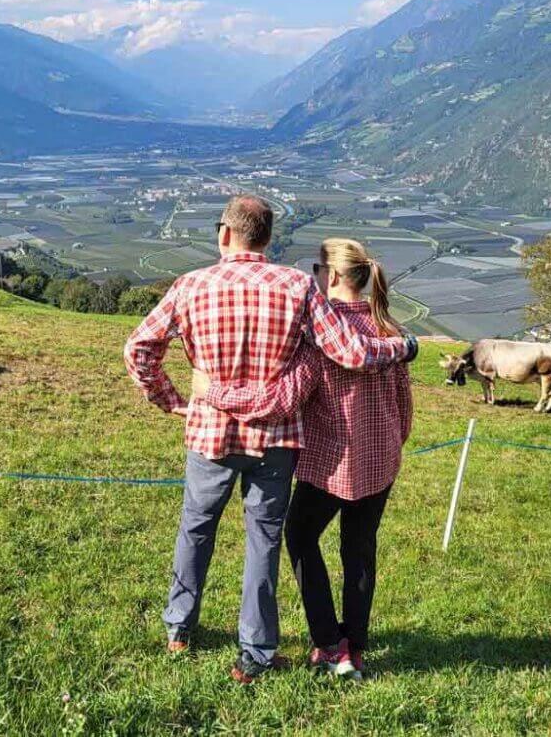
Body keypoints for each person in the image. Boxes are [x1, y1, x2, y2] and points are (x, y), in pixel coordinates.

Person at [124, 198, 416, 684]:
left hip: (209, 434)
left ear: (224, 235)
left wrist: (172, 399)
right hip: (276, 441)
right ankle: (256, 651)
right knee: (263, 543)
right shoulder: (298, 286)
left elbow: (139, 349)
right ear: (269, 238)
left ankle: (179, 629)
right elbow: (347, 351)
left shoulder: (191, 285)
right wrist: (405, 346)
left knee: (196, 530)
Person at [193, 238, 414, 680]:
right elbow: (404, 404)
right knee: (360, 550)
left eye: (316, 269)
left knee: (299, 537)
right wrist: (392, 443)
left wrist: (212, 391)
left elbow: (280, 401)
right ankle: (356, 645)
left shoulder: (320, 338)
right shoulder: (389, 330)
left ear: (330, 276)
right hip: (382, 459)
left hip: (328, 465)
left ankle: (329, 644)